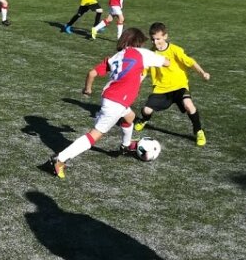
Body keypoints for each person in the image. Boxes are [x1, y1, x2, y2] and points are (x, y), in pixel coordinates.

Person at [49, 28, 169, 179]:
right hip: (117, 102)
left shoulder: (116, 56)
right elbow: (167, 62)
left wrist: (87, 89)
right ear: (138, 42)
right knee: (94, 135)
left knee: (130, 117)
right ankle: (60, 159)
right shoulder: (143, 53)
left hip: (111, 97)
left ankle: (125, 146)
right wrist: (160, 49)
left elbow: (92, 73)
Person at [134, 22, 211, 146]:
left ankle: (198, 131)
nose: (155, 42)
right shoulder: (150, 54)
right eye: (153, 40)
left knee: (189, 105)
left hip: (179, 86)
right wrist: (135, 84)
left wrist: (203, 73)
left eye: (158, 39)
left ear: (165, 36)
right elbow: (144, 72)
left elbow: (190, 62)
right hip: (161, 89)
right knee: (146, 110)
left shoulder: (175, 50)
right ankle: (144, 120)